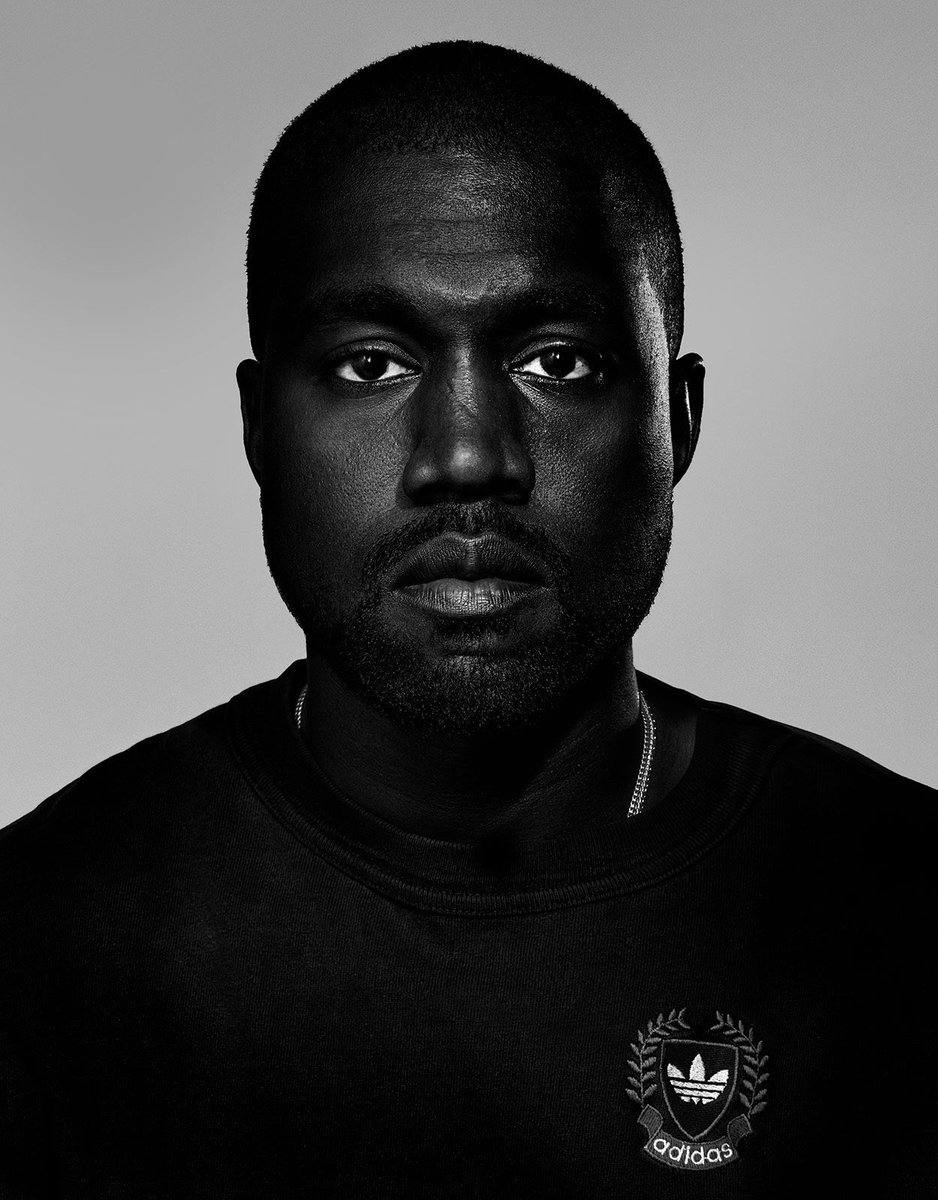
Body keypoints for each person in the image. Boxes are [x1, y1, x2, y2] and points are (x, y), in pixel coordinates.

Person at [0, 39, 934, 1199]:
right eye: (369, 366)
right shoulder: (44, 943)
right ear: (257, 429)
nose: (464, 456)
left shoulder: (905, 917)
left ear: (678, 420)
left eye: (557, 361)